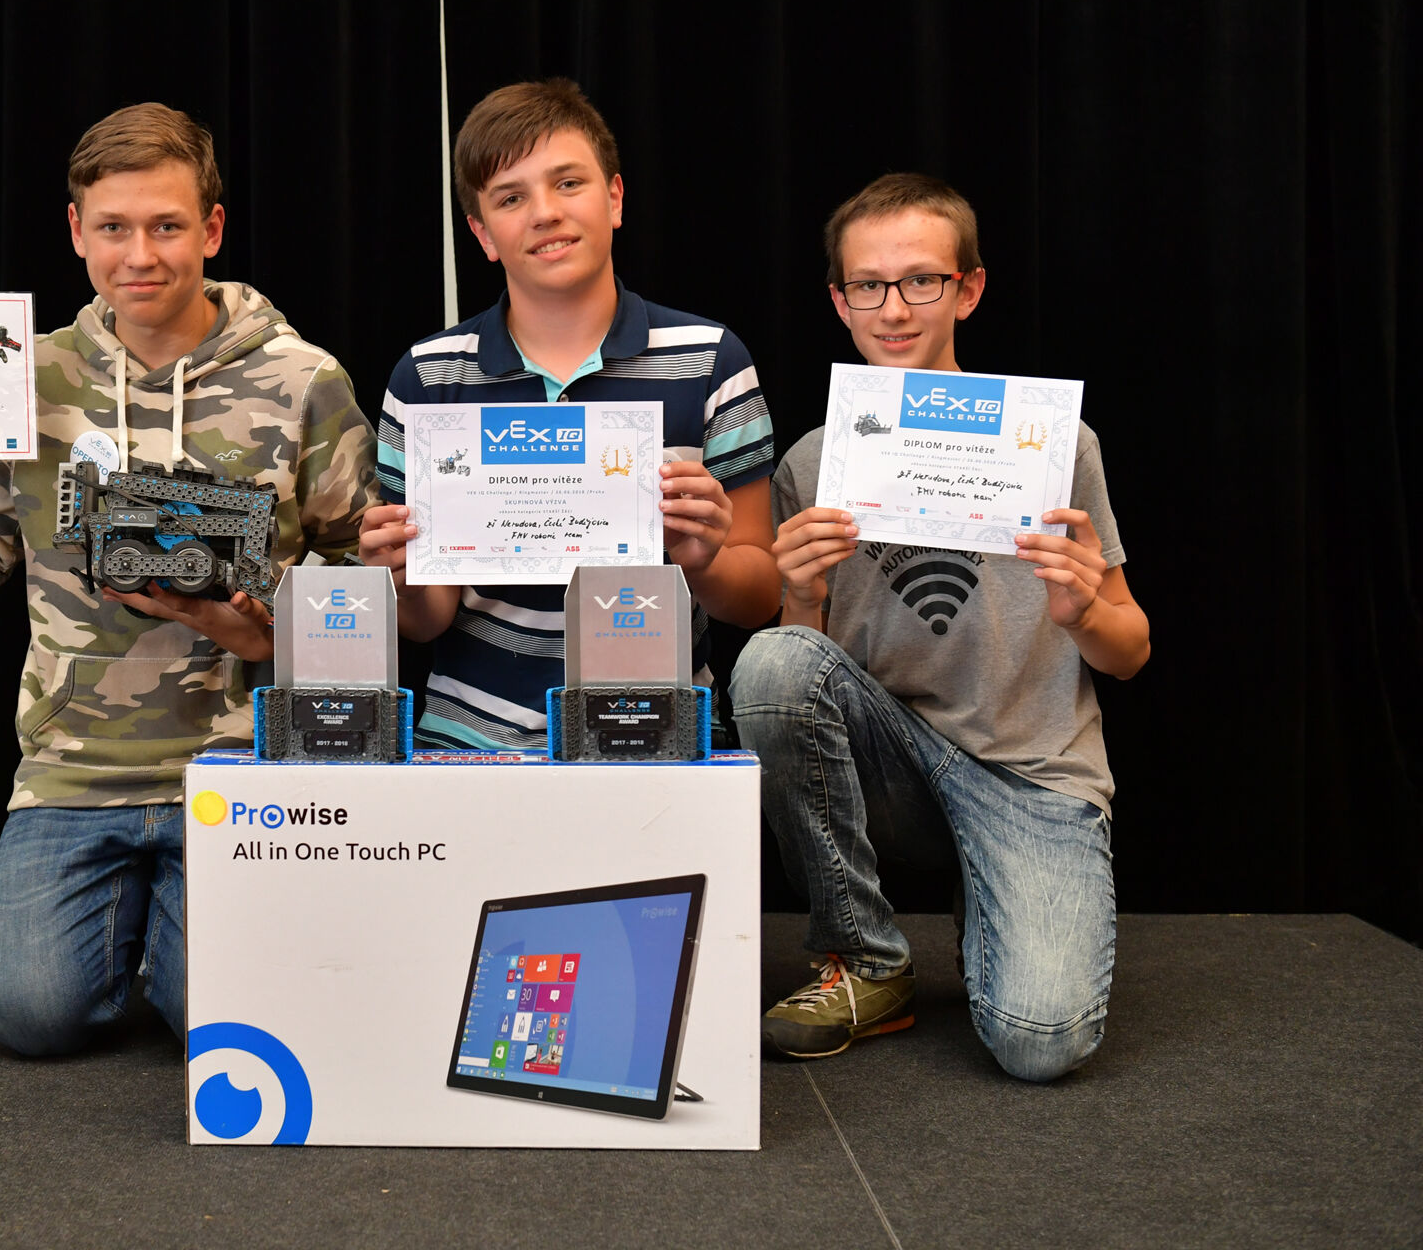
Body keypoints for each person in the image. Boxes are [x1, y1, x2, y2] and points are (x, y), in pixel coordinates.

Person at [0, 103, 377, 1054]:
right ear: (76, 231)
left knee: (221, 1019)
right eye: (114, 227)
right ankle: (153, 929)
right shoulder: (27, 375)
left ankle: (169, 938)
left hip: (243, 766)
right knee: (29, 1015)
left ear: (212, 229)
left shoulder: (304, 380)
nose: (141, 254)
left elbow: (359, 585)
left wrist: (253, 630)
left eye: (167, 226)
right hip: (72, 770)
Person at [729, 173, 1150, 1081]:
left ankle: (993, 898)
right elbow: (802, 676)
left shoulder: (1054, 444)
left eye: (921, 280)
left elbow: (1132, 651)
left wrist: (1083, 612)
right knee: (771, 659)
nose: (894, 308)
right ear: (839, 302)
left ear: (969, 289)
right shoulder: (814, 462)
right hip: (894, 768)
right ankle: (866, 962)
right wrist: (799, 594)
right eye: (869, 285)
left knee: (1041, 1044)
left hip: (1032, 774)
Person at [360, 79, 779, 748]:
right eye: (510, 198)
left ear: (615, 198)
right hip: (472, 742)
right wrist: (403, 580)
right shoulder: (427, 378)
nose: (545, 213)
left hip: (659, 737)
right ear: (482, 234)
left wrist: (704, 560)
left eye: (568, 183)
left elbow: (759, 599)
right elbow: (427, 620)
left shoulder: (711, 360)